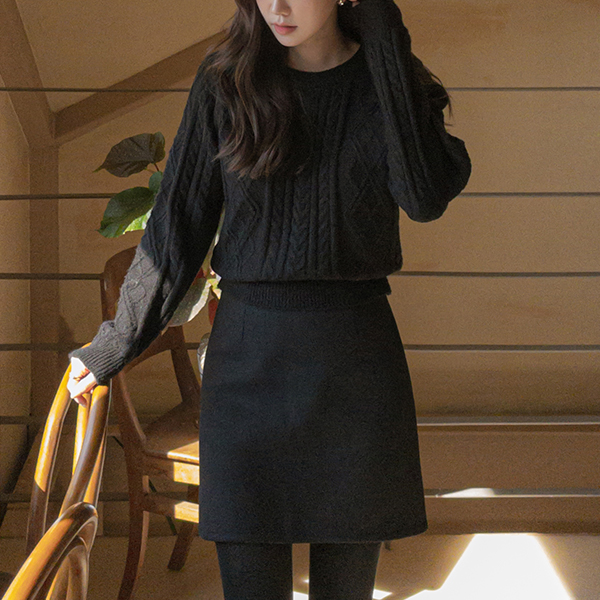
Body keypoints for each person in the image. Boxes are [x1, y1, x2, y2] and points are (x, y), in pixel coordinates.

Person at [67, 0, 472, 598]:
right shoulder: (225, 81)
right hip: (248, 363)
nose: (276, 6)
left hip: (355, 367)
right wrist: (113, 345)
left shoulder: (388, 78)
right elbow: (177, 228)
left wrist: (385, 40)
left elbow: (424, 196)